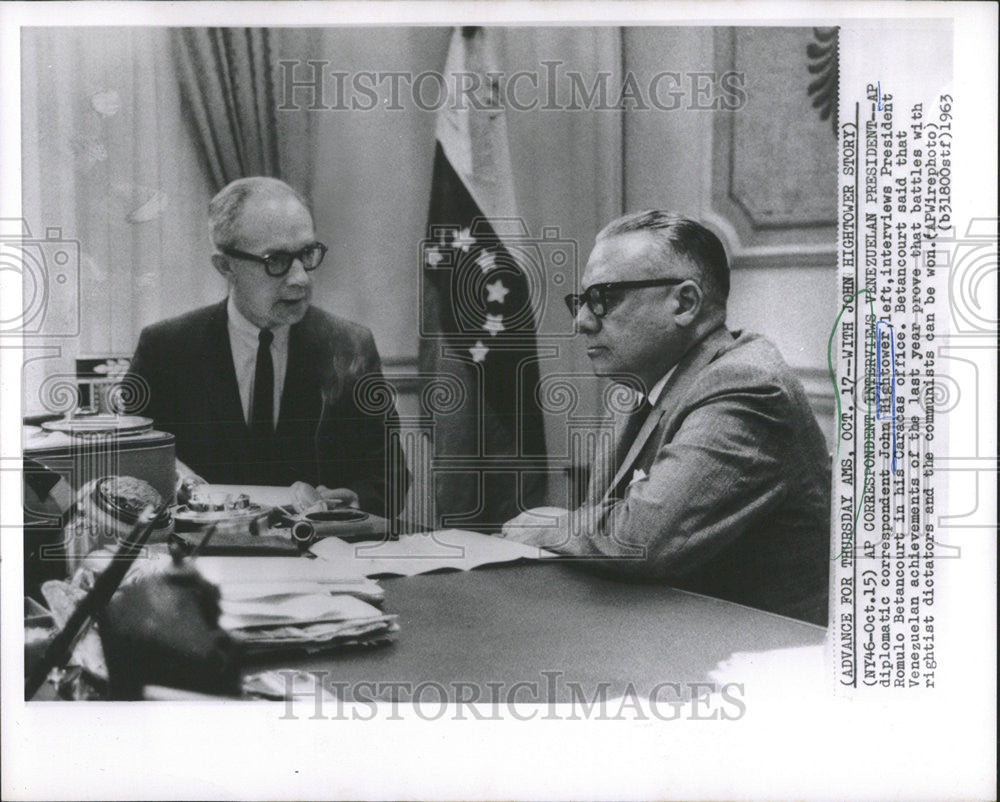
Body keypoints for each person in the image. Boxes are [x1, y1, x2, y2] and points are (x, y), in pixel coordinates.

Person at [503, 211, 831, 625]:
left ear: (685, 303)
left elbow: (640, 539)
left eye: (604, 297)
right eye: (582, 300)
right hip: (663, 633)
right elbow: (606, 530)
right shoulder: (640, 381)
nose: (582, 321)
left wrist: (556, 526)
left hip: (760, 661)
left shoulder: (747, 384)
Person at [126, 177, 409, 517]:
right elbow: (128, 469)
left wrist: (355, 499)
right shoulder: (166, 350)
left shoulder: (349, 346)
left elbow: (389, 476)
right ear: (226, 266)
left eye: (307, 254)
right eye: (276, 260)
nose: (300, 278)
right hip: (202, 560)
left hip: (319, 558)